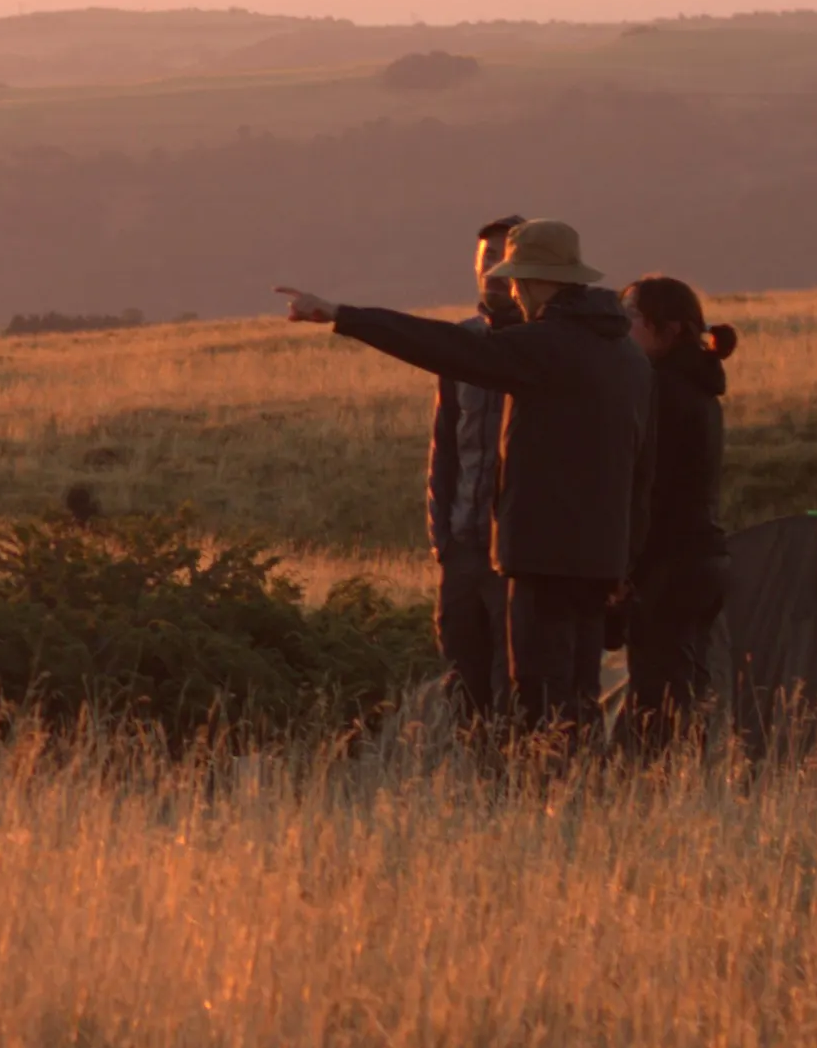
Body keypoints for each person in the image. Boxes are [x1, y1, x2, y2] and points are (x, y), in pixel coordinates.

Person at [280, 218, 653, 738]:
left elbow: (446, 348)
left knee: (537, 699)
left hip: (541, 559)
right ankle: (582, 797)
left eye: (517, 280)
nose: (514, 292)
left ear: (536, 281)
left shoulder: (546, 346)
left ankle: (539, 801)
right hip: (598, 562)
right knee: (578, 695)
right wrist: (624, 561)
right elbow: (641, 472)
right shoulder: (628, 357)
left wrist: (344, 316)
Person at [619, 272, 737, 748]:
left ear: (664, 330)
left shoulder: (660, 391)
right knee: (686, 687)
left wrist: (625, 564)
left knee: (657, 695)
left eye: (631, 319)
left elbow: (648, 489)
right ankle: (684, 785)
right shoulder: (700, 388)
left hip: (666, 564)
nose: (622, 331)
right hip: (702, 559)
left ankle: (656, 791)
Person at [420, 216, 527, 719]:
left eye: (505, 261)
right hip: (464, 543)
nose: (495, 273)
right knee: (463, 681)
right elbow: (445, 445)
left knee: (517, 682)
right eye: (487, 261)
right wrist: (441, 535)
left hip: (520, 551)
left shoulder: (547, 347)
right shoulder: (462, 342)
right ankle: (477, 784)